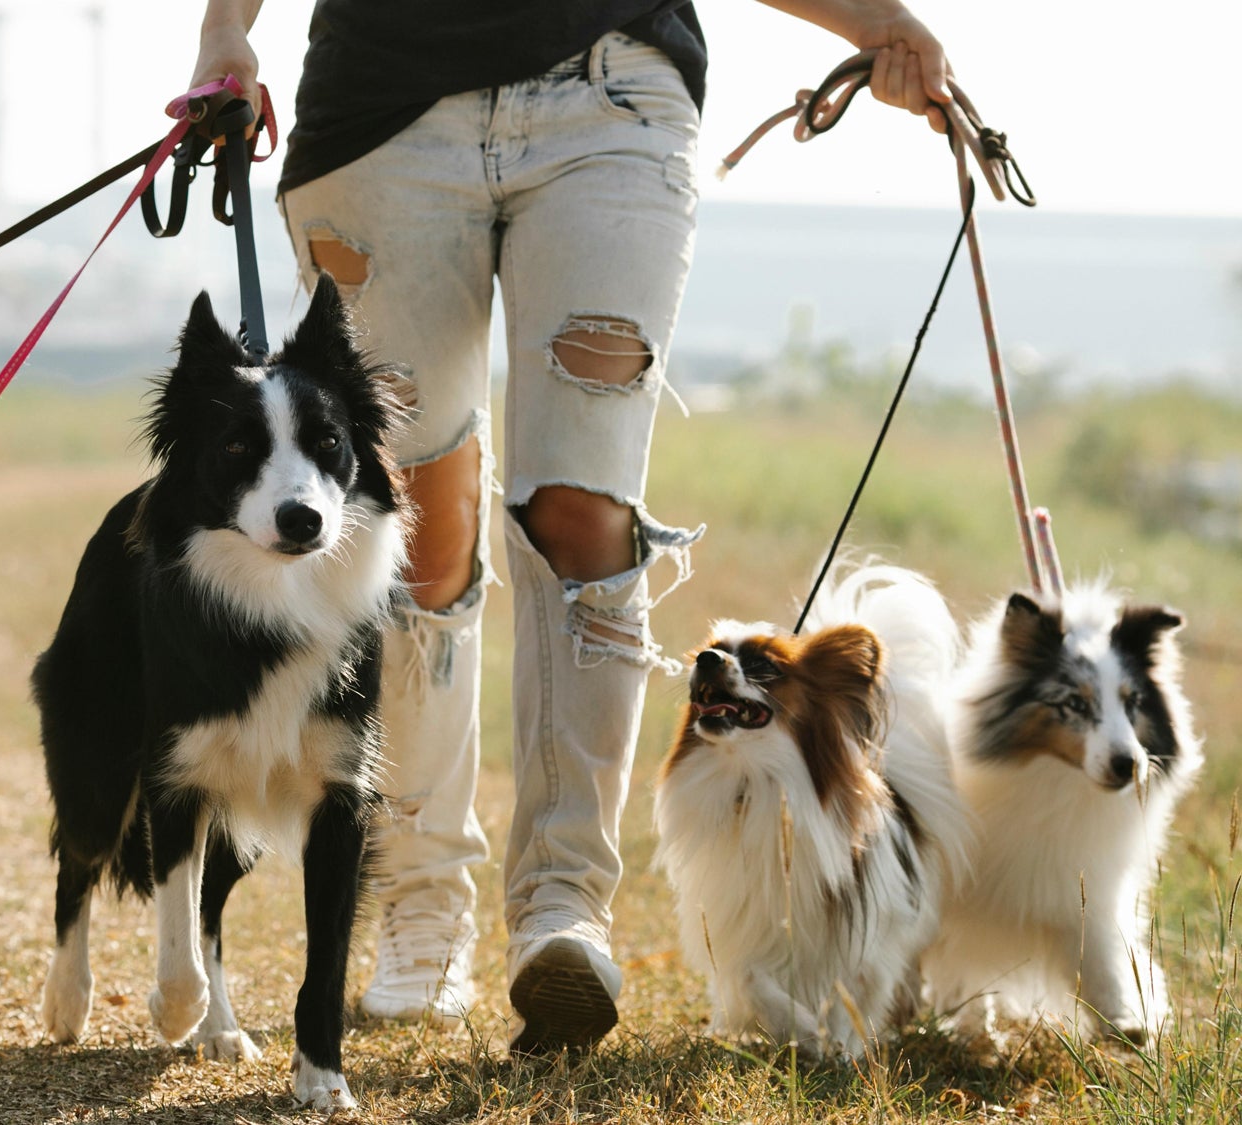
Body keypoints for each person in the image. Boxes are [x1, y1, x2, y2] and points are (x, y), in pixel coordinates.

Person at [188, 0, 955, 1052]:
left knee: (584, 507)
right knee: (411, 518)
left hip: (613, 100)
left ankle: (562, 903)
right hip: (379, 107)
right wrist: (224, 33)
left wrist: (875, 21)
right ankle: (419, 898)